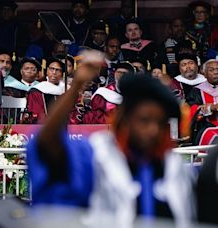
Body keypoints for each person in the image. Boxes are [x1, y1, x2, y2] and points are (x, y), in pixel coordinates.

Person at [27, 52, 194, 226]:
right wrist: (76, 85)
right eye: (144, 120)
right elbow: (46, 142)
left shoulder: (173, 166)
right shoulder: (98, 155)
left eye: (159, 123)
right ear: (125, 120)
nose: (153, 130)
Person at [69, 61, 135, 124]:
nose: (121, 76)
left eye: (125, 73)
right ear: (114, 74)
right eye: (119, 72)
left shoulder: (137, 96)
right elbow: (96, 117)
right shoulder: (103, 93)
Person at [186, 59, 218, 145]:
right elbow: (191, 111)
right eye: (211, 70)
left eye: (217, 69)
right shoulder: (197, 91)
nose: (216, 72)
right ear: (204, 74)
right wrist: (210, 108)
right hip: (206, 128)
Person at [26, 58, 65, 123]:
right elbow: (36, 111)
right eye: (52, 69)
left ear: (62, 74)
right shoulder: (37, 90)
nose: (54, 72)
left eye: (58, 70)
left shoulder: (67, 90)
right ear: (47, 71)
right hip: (43, 127)